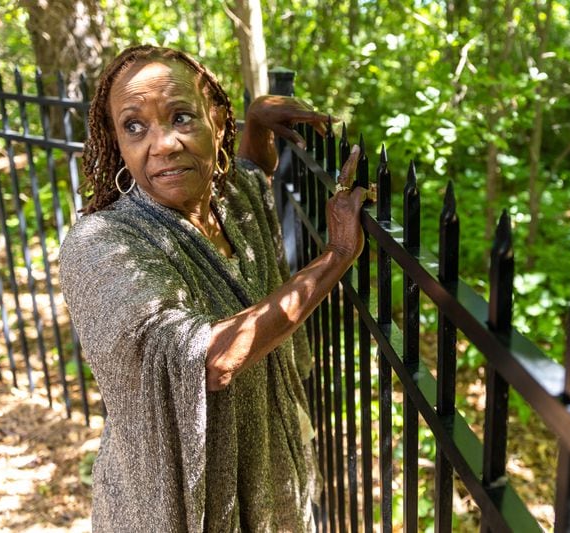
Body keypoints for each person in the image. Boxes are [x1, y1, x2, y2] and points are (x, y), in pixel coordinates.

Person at [58, 45, 367, 532]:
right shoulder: (101, 245)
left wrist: (257, 124)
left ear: (217, 123)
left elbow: (250, 171)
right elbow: (209, 359)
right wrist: (337, 256)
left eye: (182, 117)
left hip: (268, 471)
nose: (161, 144)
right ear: (116, 142)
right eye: (134, 126)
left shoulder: (228, 196)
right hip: (173, 503)